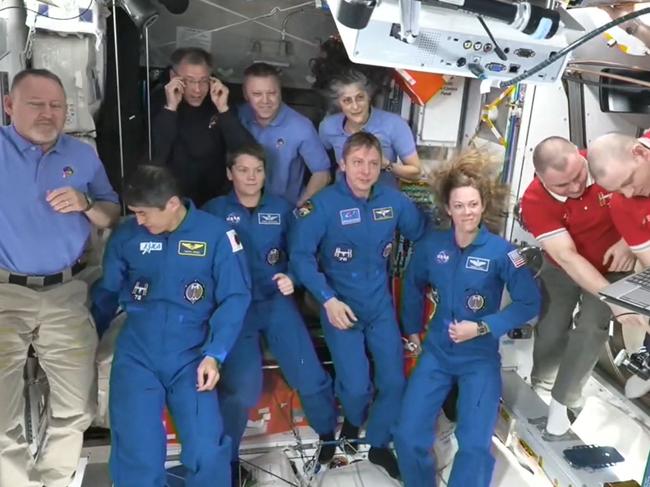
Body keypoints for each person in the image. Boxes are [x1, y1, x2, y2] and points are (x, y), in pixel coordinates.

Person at [91, 165, 251, 487]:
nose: (138, 220)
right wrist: (88, 336)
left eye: (144, 213)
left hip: (192, 355)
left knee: (206, 450)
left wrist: (215, 354)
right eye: (134, 213)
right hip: (139, 353)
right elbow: (107, 292)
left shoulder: (217, 235)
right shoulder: (127, 236)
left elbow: (235, 297)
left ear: (173, 204)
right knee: (137, 451)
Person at [0, 68, 120, 487]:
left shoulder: (82, 156)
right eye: (36, 104)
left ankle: (54, 480)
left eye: (57, 106)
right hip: (4, 293)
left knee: (76, 409)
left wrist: (86, 204)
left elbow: (111, 214)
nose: (48, 113)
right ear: (9, 105)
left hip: (66, 291)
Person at [394, 151, 541, 487]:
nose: (466, 212)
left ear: (483, 205)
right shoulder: (432, 246)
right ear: (448, 208)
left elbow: (529, 302)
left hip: (479, 359)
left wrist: (484, 326)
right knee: (407, 435)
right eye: (458, 205)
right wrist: (413, 330)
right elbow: (414, 285)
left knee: (474, 445)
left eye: (472, 204)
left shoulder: (503, 253)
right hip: (436, 354)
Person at [289, 131, 426, 478]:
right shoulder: (321, 206)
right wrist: (328, 300)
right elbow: (302, 258)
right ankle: (350, 427)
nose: (365, 171)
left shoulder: (393, 201)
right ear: (342, 164)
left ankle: (378, 445)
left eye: (373, 163)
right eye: (358, 163)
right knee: (356, 387)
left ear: (382, 166)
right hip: (340, 307)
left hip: (379, 307)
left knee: (394, 383)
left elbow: (422, 233)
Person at [203, 145, 338, 478]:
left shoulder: (282, 209)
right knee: (241, 388)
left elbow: (302, 252)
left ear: (266, 173)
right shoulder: (214, 212)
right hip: (237, 308)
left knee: (308, 373)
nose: (251, 177)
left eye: (258, 170)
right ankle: (229, 462)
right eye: (244, 169)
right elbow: (200, 260)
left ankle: (327, 437)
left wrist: (291, 277)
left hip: (276, 301)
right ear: (229, 173)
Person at [520, 136, 646, 436]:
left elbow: (637, 206)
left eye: (578, 176)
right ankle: (543, 383)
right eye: (562, 186)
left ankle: (566, 401)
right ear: (541, 178)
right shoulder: (534, 201)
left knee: (591, 325)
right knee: (552, 325)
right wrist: (613, 301)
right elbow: (567, 256)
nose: (576, 187)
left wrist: (628, 243)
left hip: (613, 265)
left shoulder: (608, 166)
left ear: (580, 156)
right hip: (564, 265)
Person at [587, 131, 650, 398]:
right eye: (617, 189)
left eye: (629, 181)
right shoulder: (623, 204)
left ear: (640, 153)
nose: (628, 192)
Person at [151, 47, 254, 206]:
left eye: (203, 80)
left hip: (214, 197)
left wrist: (223, 110)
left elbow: (244, 150)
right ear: (174, 77)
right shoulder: (158, 101)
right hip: (173, 199)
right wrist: (171, 108)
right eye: (189, 81)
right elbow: (158, 155)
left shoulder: (219, 99)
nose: (197, 89)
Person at [238, 62, 331, 206]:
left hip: (285, 209)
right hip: (241, 207)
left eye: (272, 93)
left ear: (280, 91)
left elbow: (322, 173)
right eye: (257, 94)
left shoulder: (301, 126)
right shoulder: (238, 118)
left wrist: (301, 207)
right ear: (245, 94)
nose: (265, 101)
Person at [316, 67, 421, 186]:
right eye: (347, 101)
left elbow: (416, 173)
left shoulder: (395, 124)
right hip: (344, 199)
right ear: (339, 104)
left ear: (369, 96)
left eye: (360, 97)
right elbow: (321, 166)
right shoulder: (328, 127)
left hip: (383, 199)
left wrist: (387, 164)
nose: (355, 106)